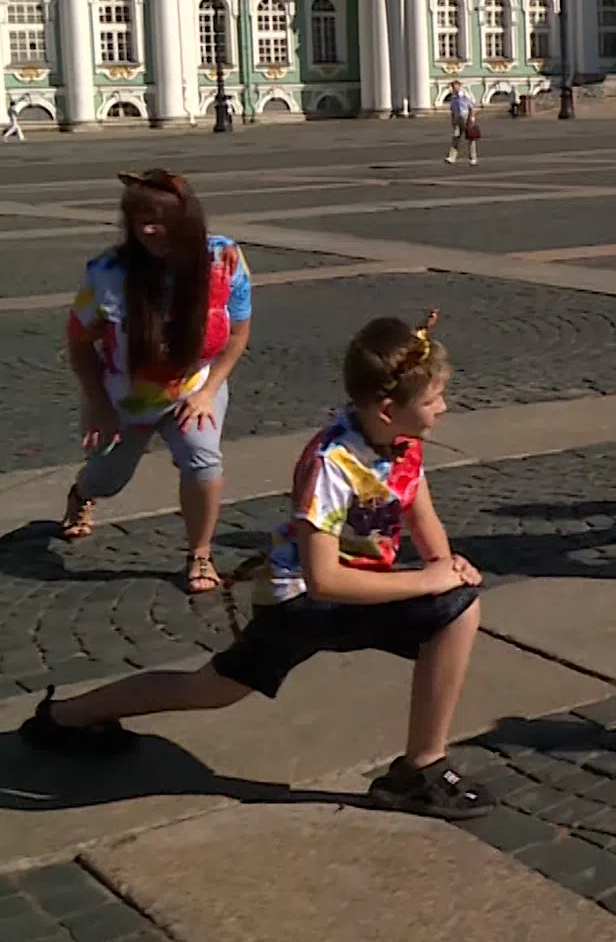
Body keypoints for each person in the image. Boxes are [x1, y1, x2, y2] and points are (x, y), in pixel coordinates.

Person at [21, 314, 495, 820]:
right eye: (432, 399)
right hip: (302, 601)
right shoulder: (332, 464)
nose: (443, 407)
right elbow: (325, 579)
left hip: (345, 593)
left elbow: (417, 505)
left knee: (209, 689)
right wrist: (427, 580)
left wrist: (446, 564)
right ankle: (417, 772)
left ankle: (65, 717)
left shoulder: (399, 441)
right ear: (386, 409)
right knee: (206, 692)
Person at [61, 170, 252, 595]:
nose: (148, 228)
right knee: (107, 478)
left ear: (187, 219)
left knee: (203, 458)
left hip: (194, 387)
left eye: (159, 218)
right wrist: (98, 405)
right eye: (138, 219)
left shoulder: (224, 260)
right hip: (123, 398)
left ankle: (199, 553)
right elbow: (78, 344)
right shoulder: (107, 273)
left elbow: (237, 335)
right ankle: (81, 495)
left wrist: (207, 391)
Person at [445, 82, 478, 166]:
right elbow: (452, 110)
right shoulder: (453, 97)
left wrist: (472, 119)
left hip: (466, 117)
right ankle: (452, 157)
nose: (455, 88)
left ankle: (473, 158)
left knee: (470, 138)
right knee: (456, 137)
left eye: (456, 87)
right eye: (453, 87)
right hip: (457, 117)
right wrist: (453, 121)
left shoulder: (465, 96)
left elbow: (472, 107)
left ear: (459, 87)